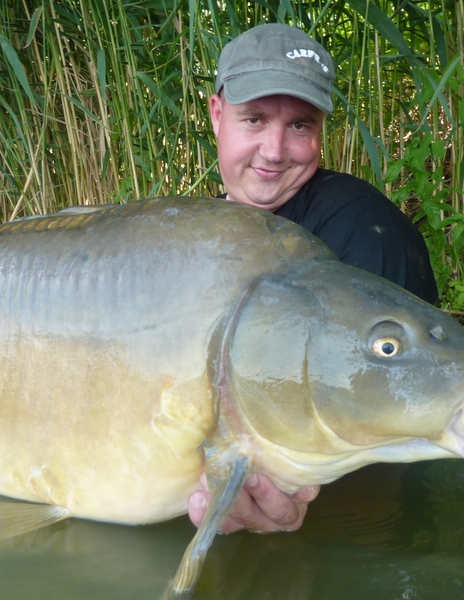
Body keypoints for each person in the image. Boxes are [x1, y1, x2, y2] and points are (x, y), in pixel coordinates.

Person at [187, 23, 438, 534]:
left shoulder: (366, 234)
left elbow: (371, 431)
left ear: (322, 128)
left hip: (353, 523)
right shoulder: (194, 233)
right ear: (217, 115)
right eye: (254, 119)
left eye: (299, 126)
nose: (275, 151)